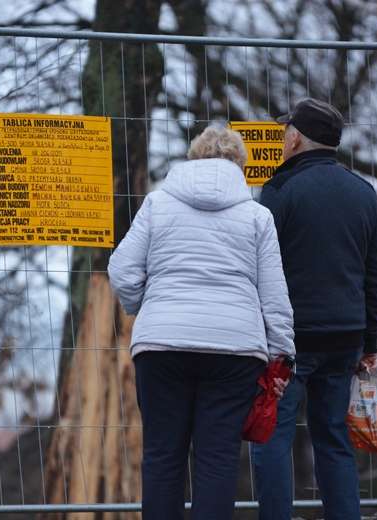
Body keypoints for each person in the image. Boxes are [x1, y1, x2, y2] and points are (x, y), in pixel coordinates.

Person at [107, 125, 295, 520]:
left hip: (162, 347)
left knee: (162, 455)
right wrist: (281, 355)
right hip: (235, 352)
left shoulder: (157, 204)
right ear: (239, 164)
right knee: (218, 458)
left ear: (194, 157)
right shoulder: (257, 216)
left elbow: (122, 270)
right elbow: (274, 294)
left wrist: (147, 306)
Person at [251, 98, 377, 520]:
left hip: (290, 341)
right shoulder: (363, 192)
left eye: (284, 133)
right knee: (332, 437)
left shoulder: (279, 190)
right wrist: (369, 341)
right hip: (346, 338)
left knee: (271, 434)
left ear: (295, 138)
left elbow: (259, 265)